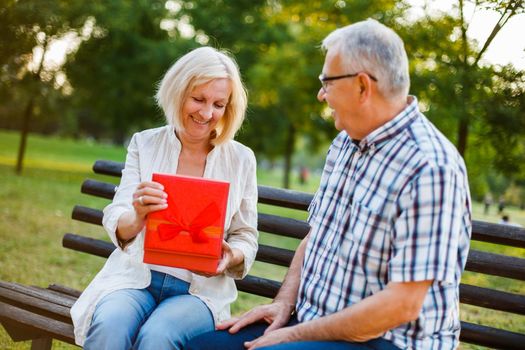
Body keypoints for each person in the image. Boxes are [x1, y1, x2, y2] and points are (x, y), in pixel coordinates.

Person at [187, 19, 471, 350]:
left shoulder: (430, 167)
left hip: (386, 341)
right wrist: (283, 304)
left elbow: (402, 305)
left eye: (328, 82)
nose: (322, 94)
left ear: (363, 87)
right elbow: (316, 235)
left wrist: (292, 335)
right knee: (202, 347)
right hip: (313, 322)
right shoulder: (345, 142)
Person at [70, 46, 259, 349]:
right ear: (178, 92)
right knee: (110, 326)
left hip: (198, 293)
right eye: (198, 99)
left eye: (219, 104)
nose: (207, 113)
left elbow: (245, 236)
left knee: (157, 337)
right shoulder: (145, 143)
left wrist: (230, 256)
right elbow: (117, 216)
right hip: (136, 278)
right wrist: (138, 213)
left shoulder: (240, 159)